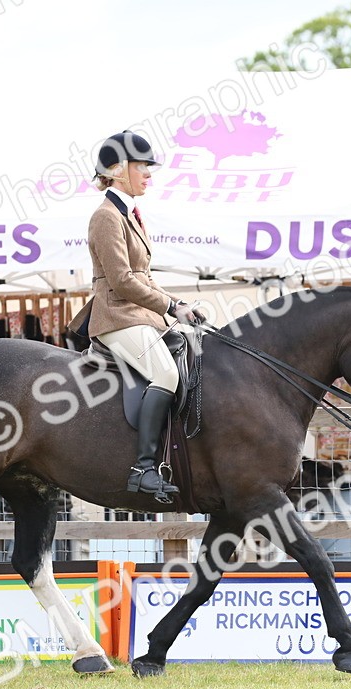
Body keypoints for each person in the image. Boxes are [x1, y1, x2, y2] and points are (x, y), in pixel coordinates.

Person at [87, 130, 206, 499]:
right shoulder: (106, 217)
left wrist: (180, 306)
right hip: (117, 316)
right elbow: (122, 281)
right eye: (143, 167)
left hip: (140, 314)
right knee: (166, 373)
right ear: (119, 169)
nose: (149, 175)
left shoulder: (130, 214)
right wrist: (170, 307)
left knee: (193, 353)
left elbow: (145, 278)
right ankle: (143, 468)